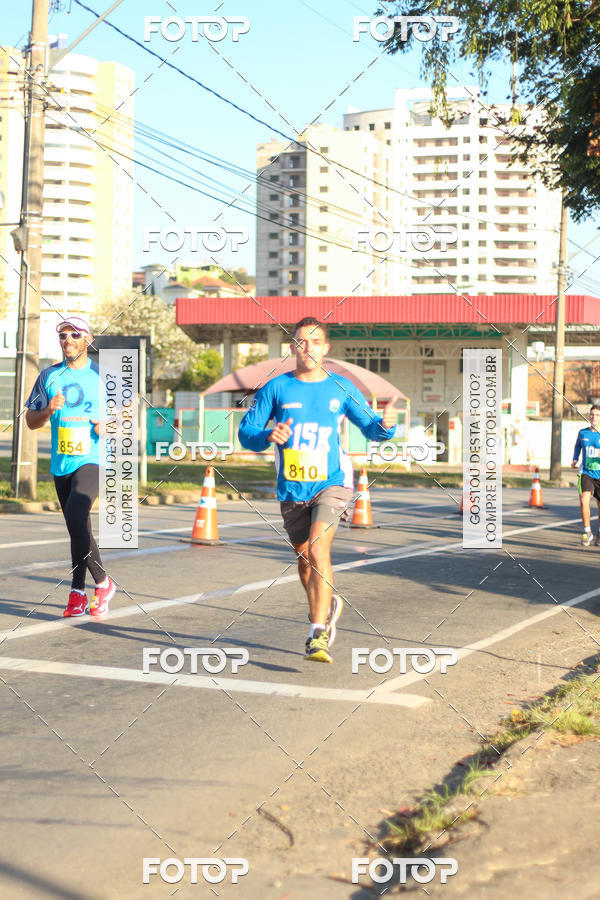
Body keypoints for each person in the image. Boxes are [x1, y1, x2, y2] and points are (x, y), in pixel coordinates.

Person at [238, 317, 398, 663]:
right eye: (300, 341)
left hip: (333, 482)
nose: (307, 347)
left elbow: (371, 428)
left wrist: (386, 426)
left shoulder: (340, 387)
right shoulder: (276, 388)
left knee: (316, 548)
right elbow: (246, 432)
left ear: (326, 348)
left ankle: (317, 635)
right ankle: (326, 607)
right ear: (292, 347)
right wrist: (267, 435)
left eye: (314, 341)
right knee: (304, 559)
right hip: (292, 487)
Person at [25, 316, 116, 616]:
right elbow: (30, 420)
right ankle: (92, 587)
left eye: (74, 335)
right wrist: (49, 410)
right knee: (77, 526)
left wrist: (110, 423)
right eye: (63, 336)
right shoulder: (49, 377)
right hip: (62, 462)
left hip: (93, 458)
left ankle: (88, 587)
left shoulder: (104, 375)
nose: (68, 341)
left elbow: (128, 410)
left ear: (87, 339)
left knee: (77, 514)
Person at [571, 404, 600, 547]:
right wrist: (575, 458)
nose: (594, 417)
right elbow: (577, 446)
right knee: (584, 500)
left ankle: (599, 532)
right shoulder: (583, 433)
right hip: (586, 472)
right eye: (592, 414)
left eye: (597, 415)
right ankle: (587, 532)